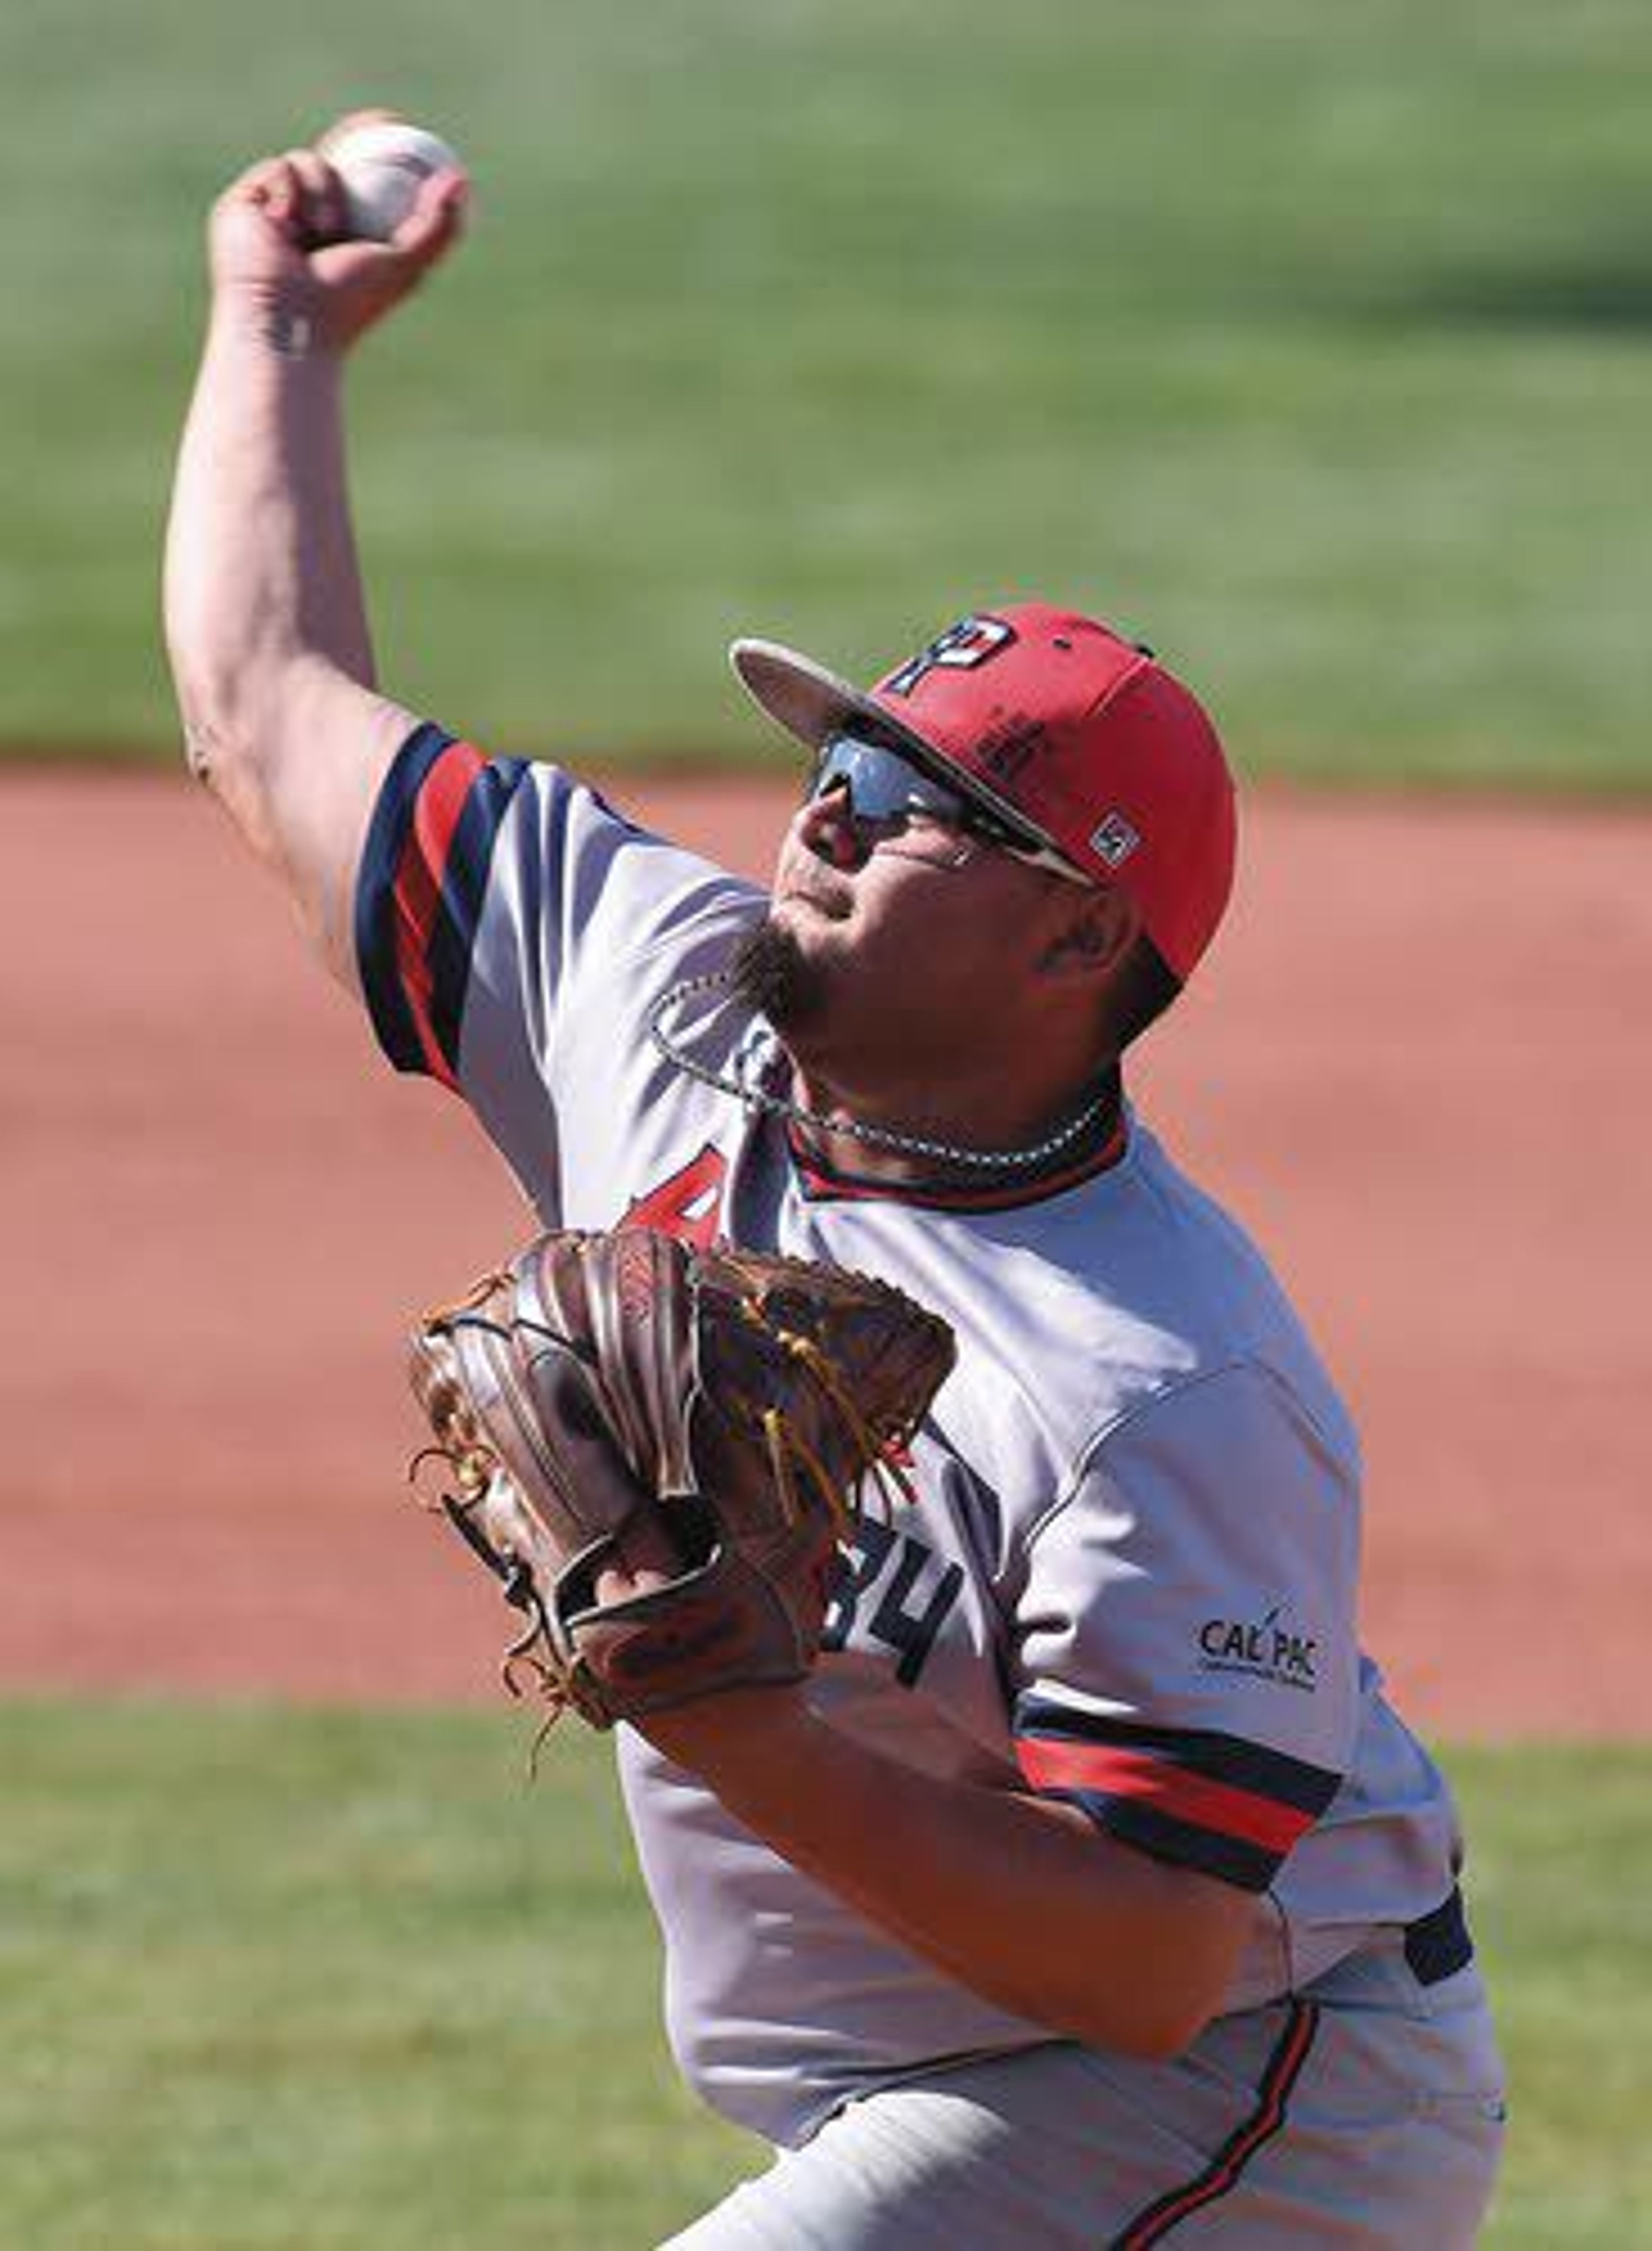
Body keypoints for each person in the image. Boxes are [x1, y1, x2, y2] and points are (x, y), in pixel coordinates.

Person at [164, 126, 1507, 2248]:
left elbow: (1152, 1964)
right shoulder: (658, 995)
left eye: (915, 801)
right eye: (834, 758)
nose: (826, 811)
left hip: (1252, 2095)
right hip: (935, 2075)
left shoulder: (1167, 1381)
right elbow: (265, 712)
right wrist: (277, 334)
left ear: (1080, 942)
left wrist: (736, 1723)